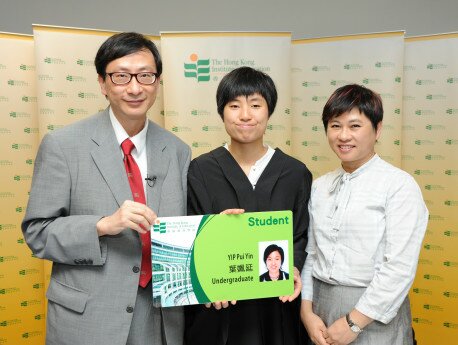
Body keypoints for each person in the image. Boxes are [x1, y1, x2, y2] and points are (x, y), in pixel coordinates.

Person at [22, 32, 191, 345]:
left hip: (159, 316)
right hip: (89, 317)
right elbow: (37, 233)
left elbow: (184, 231)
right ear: (102, 83)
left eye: (146, 75)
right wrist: (102, 225)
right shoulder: (63, 145)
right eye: (121, 76)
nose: (135, 87)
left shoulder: (178, 150)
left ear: (158, 81)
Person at [185, 66, 312, 345]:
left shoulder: (294, 173)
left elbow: (302, 236)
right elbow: (190, 236)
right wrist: (215, 232)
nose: (245, 115)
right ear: (221, 112)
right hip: (219, 312)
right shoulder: (200, 171)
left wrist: (295, 268)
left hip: (278, 308)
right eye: (234, 106)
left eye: (255, 105)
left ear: (269, 111)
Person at [300, 84, 428, 345]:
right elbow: (312, 255)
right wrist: (306, 312)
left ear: (377, 129)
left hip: (374, 315)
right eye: (335, 125)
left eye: (355, 126)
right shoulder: (320, 186)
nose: (344, 135)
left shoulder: (398, 185)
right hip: (321, 313)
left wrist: (354, 322)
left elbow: (399, 268)